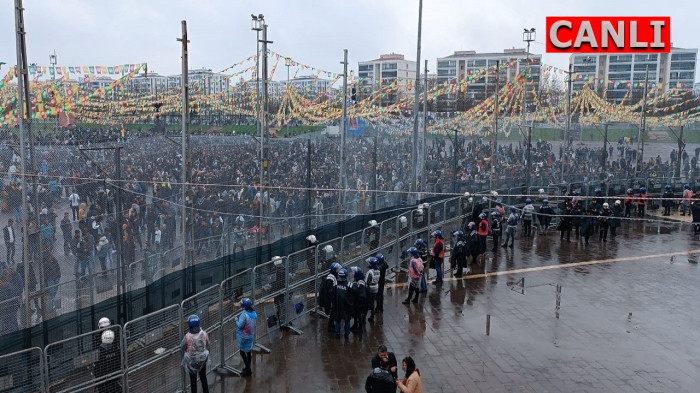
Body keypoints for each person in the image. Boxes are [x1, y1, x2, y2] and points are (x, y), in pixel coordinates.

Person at [180, 315, 210, 393]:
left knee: (193, 381)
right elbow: (208, 344)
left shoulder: (187, 336)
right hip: (202, 359)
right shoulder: (203, 333)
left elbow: (182, 346)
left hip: (192, 361)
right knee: (203, 377)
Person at [235, 298, 257, 377]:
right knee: (248, 352)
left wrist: (236, 320)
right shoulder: (254, 313)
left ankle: (248, 370)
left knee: (242, 352)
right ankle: (247, 368)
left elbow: (240, 326)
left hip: (244, 337)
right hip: (251, 336)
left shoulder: (244, 314)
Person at [319, 262, 340, 332]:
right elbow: (329, 291)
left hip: (332, 297)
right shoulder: (330, 278)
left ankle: (331, 325)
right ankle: (330, 325)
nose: (339, 270)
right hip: (331, 299)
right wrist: (331, 301)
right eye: (337, 269)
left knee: (333, 312)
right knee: (333, 312)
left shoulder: (333, 276)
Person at [332, 268, 352, 338]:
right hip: (346, 305)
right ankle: (347, 333)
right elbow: (351, 293)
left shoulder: (335, 284)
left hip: (337, 304)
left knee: (337, 319)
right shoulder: (349, 284)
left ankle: (337, 333)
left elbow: (333, 294)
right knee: (347, 319)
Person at [365, 257, 379, 322]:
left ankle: (364, 317)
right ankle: (372, 316)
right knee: (373, 302)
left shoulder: (370, 272)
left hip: (370, 289)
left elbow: (367, 282)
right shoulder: (378, 270)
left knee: (367, 303)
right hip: (376, 287)